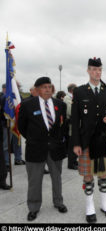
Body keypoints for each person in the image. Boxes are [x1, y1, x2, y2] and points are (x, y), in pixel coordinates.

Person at [71, 57, 106, 223]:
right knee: (88, 175)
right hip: (86, 140)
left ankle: (105, 203)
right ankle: (89, 206)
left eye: (99, 69)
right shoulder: (79, 91)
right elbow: (75, 120)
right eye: (93, 69)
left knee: (103, 173)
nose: (96, 72)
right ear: (88, 70)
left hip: (104, 139)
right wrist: (76, 143)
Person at [18, 77, 68, 221]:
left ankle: (58, 202)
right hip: (35, 148)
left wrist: (58, 140)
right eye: (44, 87)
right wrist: (33, 138)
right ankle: (33, 207)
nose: (47, 89)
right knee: (34, 180)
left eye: (49, 87)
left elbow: (63, 126)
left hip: (55, 148)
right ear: (37, 89)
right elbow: (22, 126)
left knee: (57, 177)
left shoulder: (60, 104)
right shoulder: (27, 105)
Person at [63, 84, 78, 170]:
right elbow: (70, 111)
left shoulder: (73, 98)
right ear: (72, 90)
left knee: (76, 143)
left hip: (75, 124)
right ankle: (71, 163)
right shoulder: (67, 98)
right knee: (72, 144)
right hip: (71, 124)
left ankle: (74, 160)